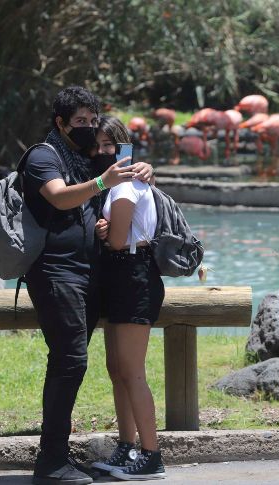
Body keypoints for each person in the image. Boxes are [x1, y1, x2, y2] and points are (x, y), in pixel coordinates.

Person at [23, 86, 154, 485]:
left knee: (73, 363)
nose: (88, 128)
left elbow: (113, 170)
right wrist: (101, 182)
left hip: (86, 275)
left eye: (92, 121)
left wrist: (143, 169)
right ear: (60, 123)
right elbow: (60, 198)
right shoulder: (43, 156)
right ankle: (51, 461)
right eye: (79, 121)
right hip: (56, 274)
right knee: (69, 362)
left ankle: (59, 457)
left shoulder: (81, 158)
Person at [89, 116, 167, 480]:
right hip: (121, 277)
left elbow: (118, 241)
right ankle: (126, 446)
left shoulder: (123, 187)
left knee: (132, 371)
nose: (104, 152)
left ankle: (151, 456)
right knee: (116, 369)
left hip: (134, 275)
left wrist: (104, 232)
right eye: (98, 145)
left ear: (122, 146)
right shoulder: (119, 184)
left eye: (110, 145)